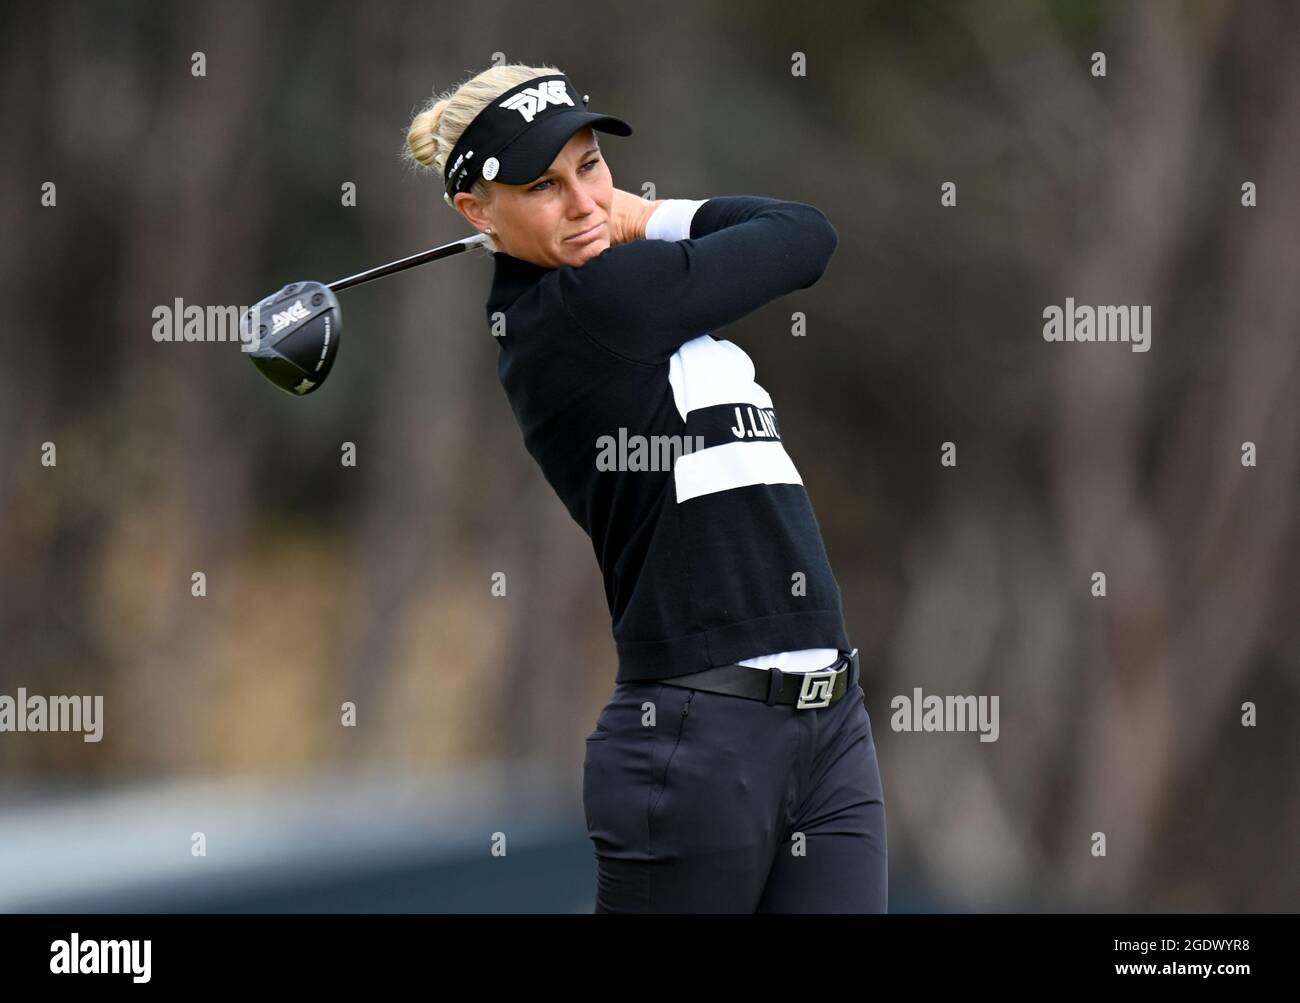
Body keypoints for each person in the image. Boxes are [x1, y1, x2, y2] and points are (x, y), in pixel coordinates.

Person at [404, 63, 886, 912]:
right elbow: (802, 235)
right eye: (543, 186)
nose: (586, 202)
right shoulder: (583, 309)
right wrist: (648, 216)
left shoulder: (608, 291)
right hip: (699, 738)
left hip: (829, 717)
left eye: (590, 166)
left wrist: (623, 215)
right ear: (477, 213)